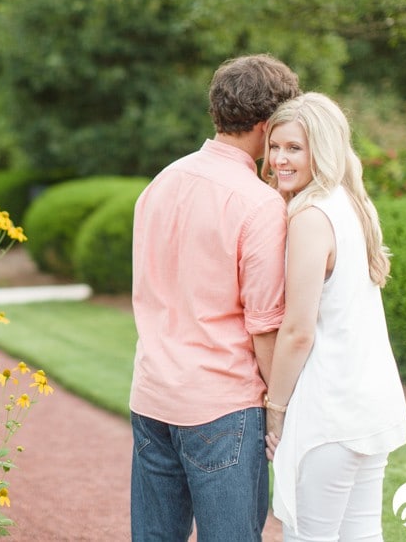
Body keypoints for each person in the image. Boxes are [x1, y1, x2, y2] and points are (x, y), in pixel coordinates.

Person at [130, 53, 301, 541]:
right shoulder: (260, 203)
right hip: (223, 404)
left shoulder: (161, 182)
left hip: (151, 393)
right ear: (268, 125)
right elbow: (264, 324)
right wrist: (281, 403)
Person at [261, 92, 406, 541]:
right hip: (368, 405)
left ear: (322, 151)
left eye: (294, 148)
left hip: (330, 412)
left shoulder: (310, 217)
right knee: (361, 535)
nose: (279, 160)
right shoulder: (352, 204)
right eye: (275, 146)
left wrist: (276, 410)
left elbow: (297, 332)